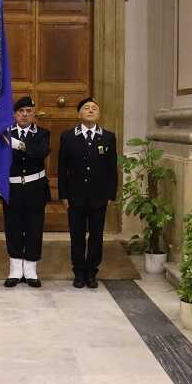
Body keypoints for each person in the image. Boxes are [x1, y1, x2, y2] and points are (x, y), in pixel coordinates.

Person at [57, 97, 118, 289]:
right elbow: (61, 169)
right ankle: (79, 272)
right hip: (75, 197)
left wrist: (110, 195)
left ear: (98, 114)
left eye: (94, 108)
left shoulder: (108, 137)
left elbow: (111, 169)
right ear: (79, 114)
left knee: (96, 235)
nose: (91, 110)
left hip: (99, 197)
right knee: (77, 235)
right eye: (86, 108)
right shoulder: (68, 136)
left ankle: (92, 271)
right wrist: (63, 195)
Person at [3, 96, 50, 288]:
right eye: (20, 111)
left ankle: (30, 270)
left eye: (28, 111)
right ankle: (15, 270)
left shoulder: (42, 133)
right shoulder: (4, 133)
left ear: (33, 114)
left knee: (34, 227)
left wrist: (18, 145)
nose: (24, 115)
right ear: (14, 114)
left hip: (35, 187)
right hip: (12, 187)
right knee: (13, 227)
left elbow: (40, 153)